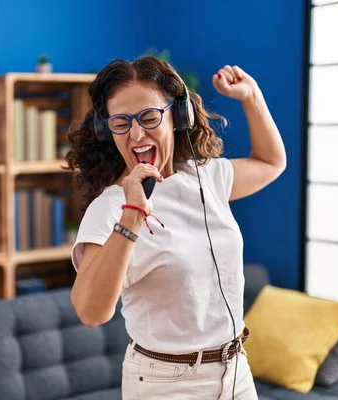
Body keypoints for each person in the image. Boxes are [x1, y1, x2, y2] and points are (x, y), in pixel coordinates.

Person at [64, 56, 286, 399]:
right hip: (166, 383)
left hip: (236, 372)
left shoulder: (206, 177)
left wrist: (251, 96)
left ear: (179, 116)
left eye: (149, 117)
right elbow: (91, 311)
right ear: (107, 130)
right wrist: (133, 213)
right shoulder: (109, 208)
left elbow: (270, 162)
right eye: (121, 123)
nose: (137, 134)